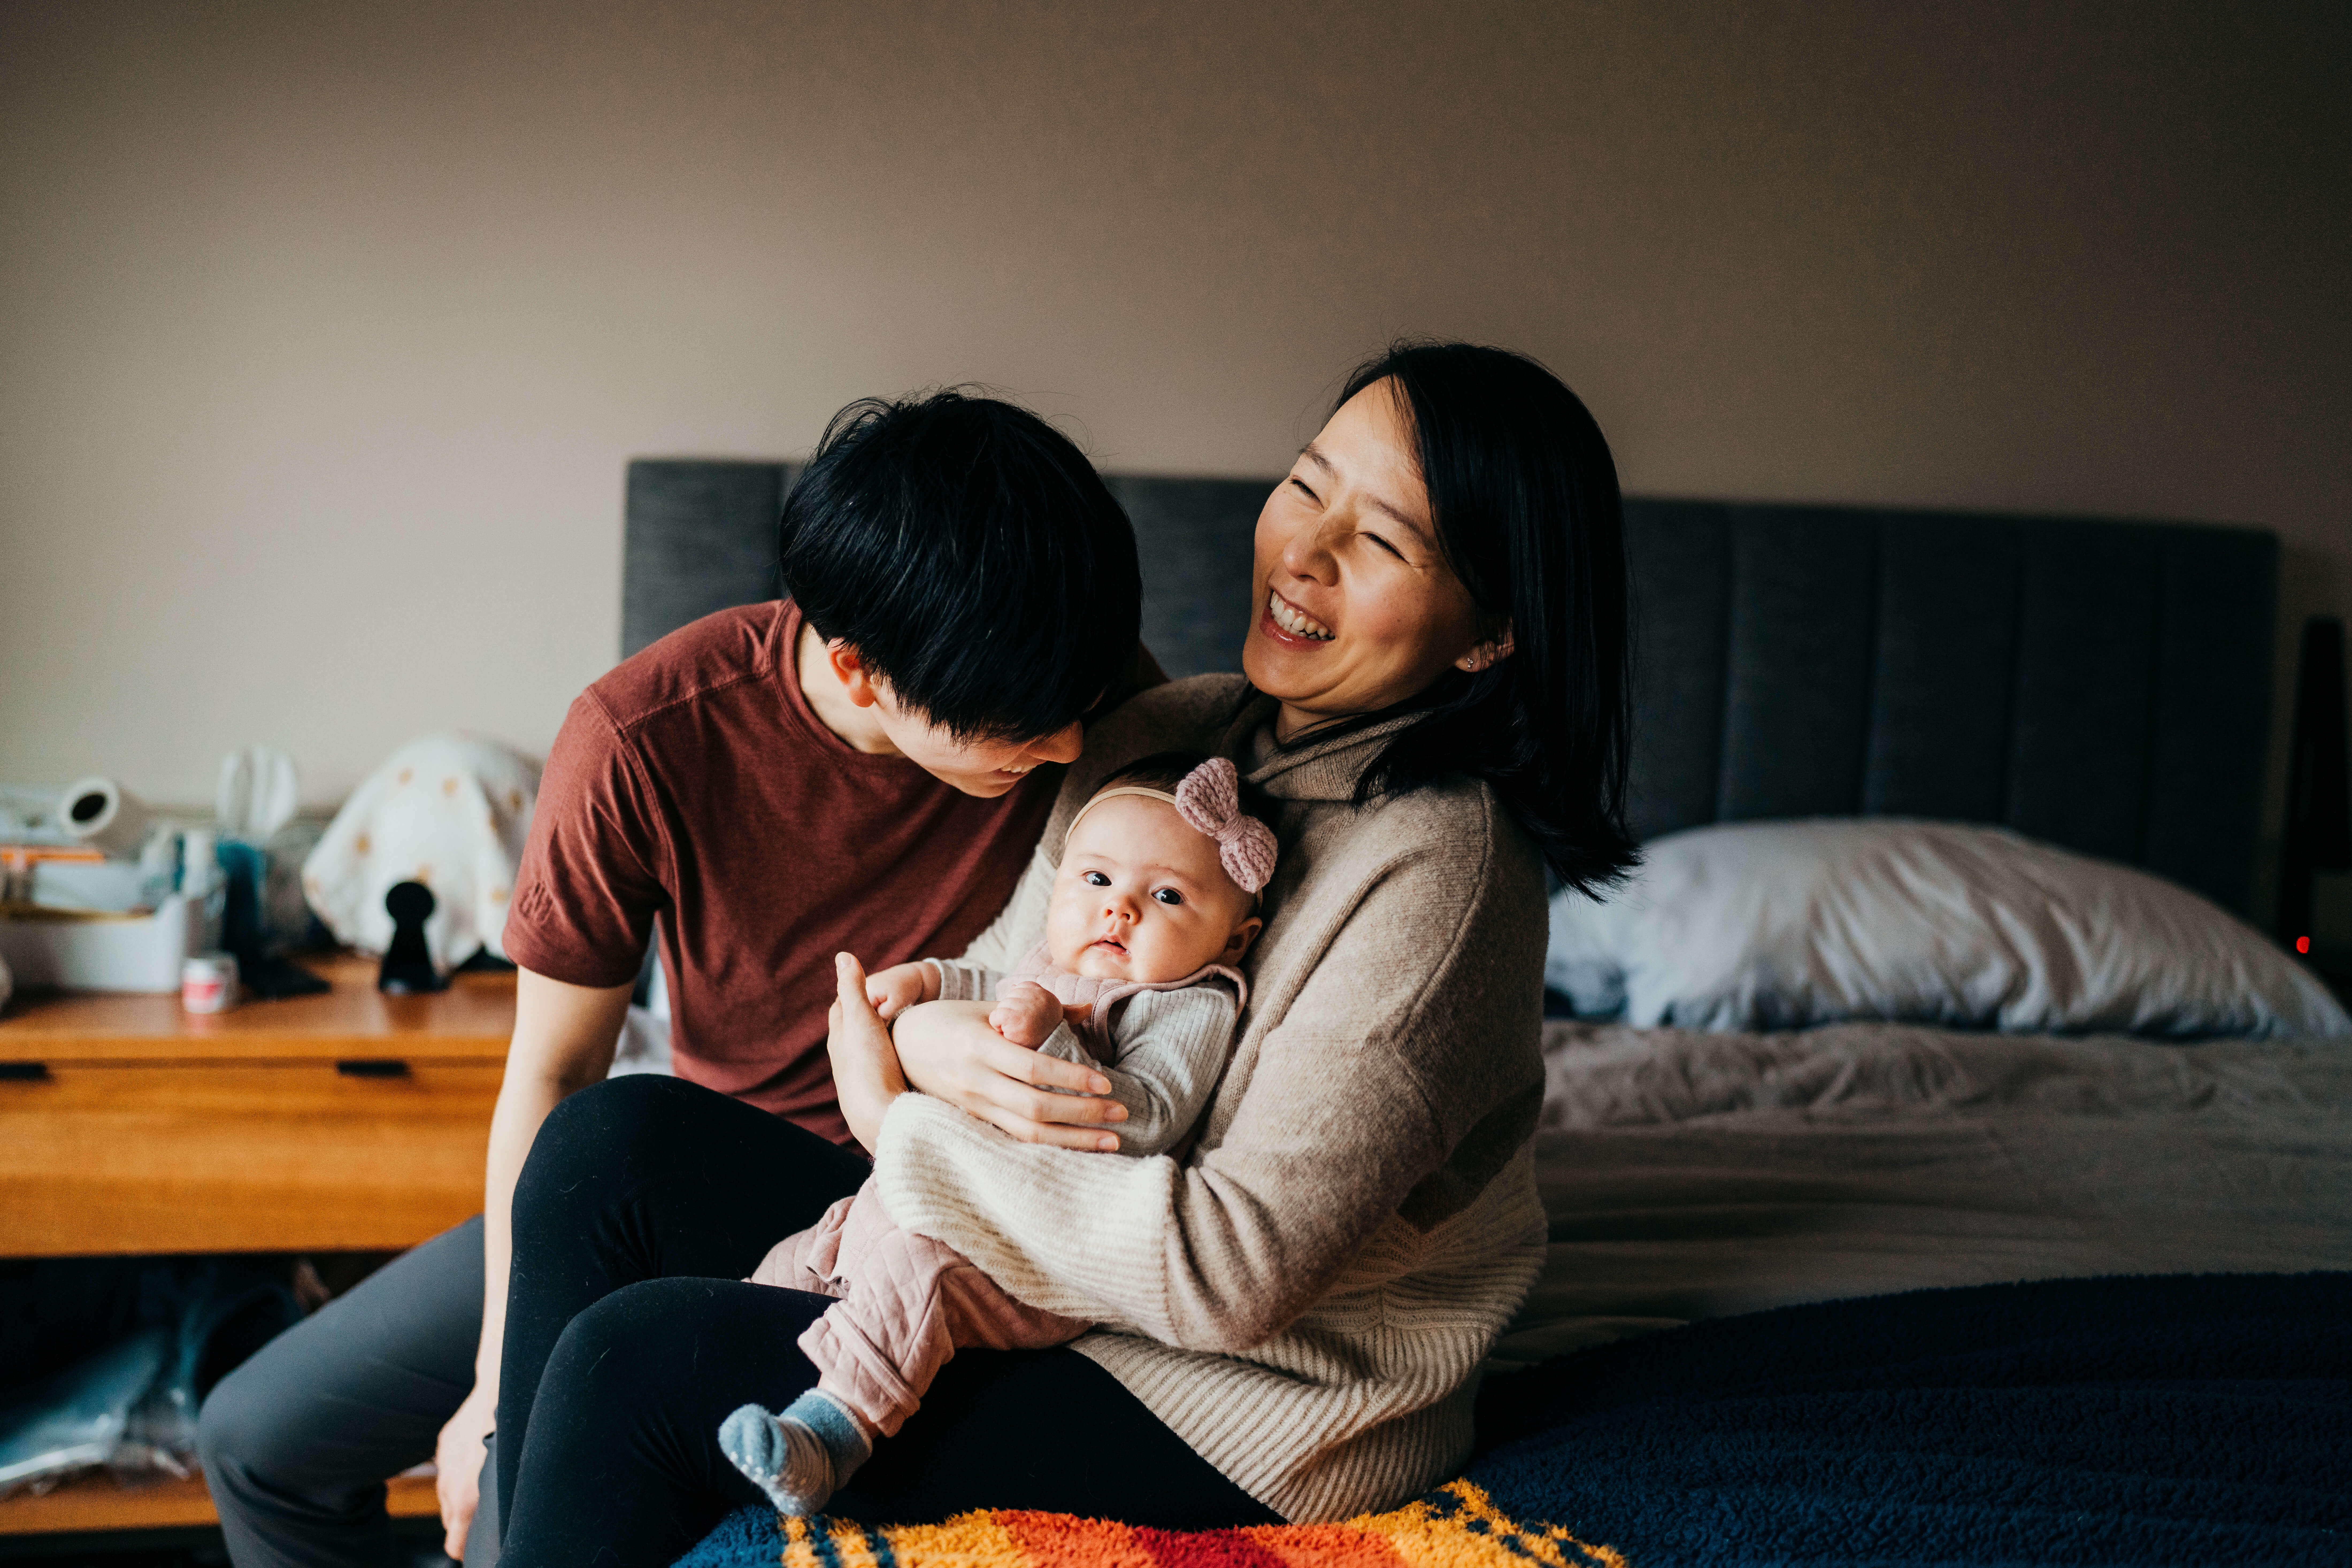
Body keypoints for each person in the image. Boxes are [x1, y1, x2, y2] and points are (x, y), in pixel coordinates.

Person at [487, 339, 1636, 1565]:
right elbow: (987, 975)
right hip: (1036, 1278)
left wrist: (902, 1121)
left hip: (1236, 1396)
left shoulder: (1444, 873)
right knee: (609, 1144)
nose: (1304, 553)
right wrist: (922, 1031)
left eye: (1387, 540)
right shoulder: (1170, 729)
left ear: (1489, 634)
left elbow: (1232, 1273)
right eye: (1307, 486)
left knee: (635, 1365)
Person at [195, 389, 1151, 1568]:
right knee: (252, 1435)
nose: (1067, 748)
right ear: (858, 668)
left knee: (518, 1512)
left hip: (922, 1220)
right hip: (694, 1185)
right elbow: (551, 1071)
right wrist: (496, 1376)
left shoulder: (1087, 695)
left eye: (1080, 711)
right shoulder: (642, 739)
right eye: (1020, 727)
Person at [719, 752, 1277, 1516]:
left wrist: (1054, 1039)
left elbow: (1146, 1119)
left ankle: (830, 1438)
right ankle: (731, 1378)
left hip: (1034, 1255)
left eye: (1169, 895)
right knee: (805, 1255)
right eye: (1097, 881)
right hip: (938, 1198)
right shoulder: (1055, 959)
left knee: (917, 1276)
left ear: (1235, 940)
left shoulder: (1187, 1005)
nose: (1119, 911)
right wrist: (922, 984)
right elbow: (981, 981)